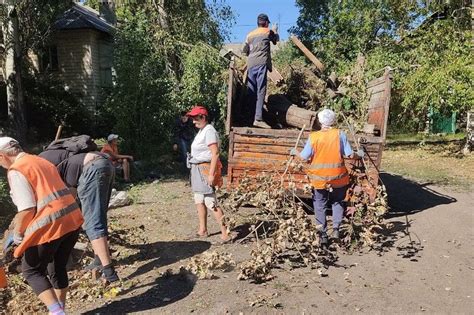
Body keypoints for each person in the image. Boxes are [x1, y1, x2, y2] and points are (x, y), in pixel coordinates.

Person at [0, 137, 84, 315]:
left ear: (2, 156)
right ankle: (60, 310)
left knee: (31, 270)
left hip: (52, 222)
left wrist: (18, 233)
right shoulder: (39, 160)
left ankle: (57, 312)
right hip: (72, 218)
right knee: (57, 266)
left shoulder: (17, 170)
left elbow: (27, 209)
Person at [39, 148, 119, 283]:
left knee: (92, 221)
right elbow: (71, 192)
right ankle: (99, 259)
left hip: (92, 170)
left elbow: (66, 197)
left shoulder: (39, 166)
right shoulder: (55, 157)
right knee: (97, 216)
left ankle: (109, 273)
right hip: (105, 164)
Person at [290, 109, 364, 246]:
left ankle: (322, 234)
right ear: (333, 121)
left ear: (319, 121)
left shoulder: (314, 137)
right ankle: (336, 229)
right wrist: (359, 154)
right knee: (337, 202)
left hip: (319, 178)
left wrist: (295, 152)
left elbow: (304, 157)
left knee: (320, 205)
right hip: (338, 178)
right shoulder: (340, 134)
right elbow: (349, 155)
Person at [186, 105, 231, 242]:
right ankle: (203, 230)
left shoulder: (209, 131)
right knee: (199, 200)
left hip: (205, 169)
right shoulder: (202, 130)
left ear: (203, 117)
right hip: (197, 169)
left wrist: (211, 174)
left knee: (210, 202)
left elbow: (215, 153)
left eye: (195, 118)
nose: (193, 121)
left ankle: (225, 232)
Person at [242, 13, 279, 129]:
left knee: (251, 92)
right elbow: (275, 40)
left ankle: (248, 119)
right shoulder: (268, 31)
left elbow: (244, 50)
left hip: (251, 65)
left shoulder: (249, 35)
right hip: (261, 63)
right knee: (261, 90)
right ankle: (258, 119)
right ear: (266, 23)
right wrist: (275, 30)